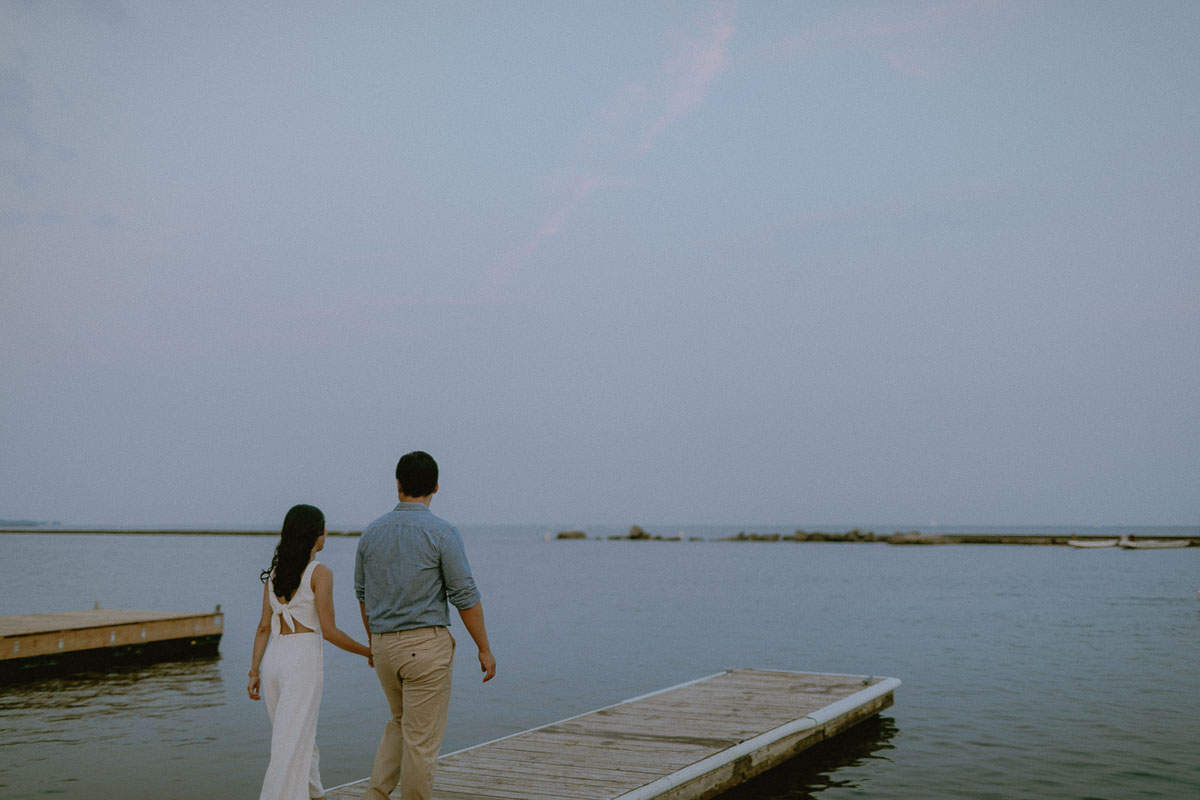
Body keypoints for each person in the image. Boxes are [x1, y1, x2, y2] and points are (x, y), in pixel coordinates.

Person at [355, 451, 496, 800]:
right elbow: (464, 595)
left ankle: (376, 795)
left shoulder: (371, 533)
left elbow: (363, 595)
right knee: (420, 740)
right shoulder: (443, 533)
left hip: (384, 645)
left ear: (398, 485)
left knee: (400, 724)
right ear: (435, 487)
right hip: (424, 647)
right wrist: (484, 648)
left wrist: (374, 641)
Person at [248, 504, 372, 800]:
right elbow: (329, 631)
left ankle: (315, 794)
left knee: (296, 736)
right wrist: (368, 651)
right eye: (323, 529)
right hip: (301, 661)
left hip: (274, 661)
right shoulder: (320, 572)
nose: (326, 534)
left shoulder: (275, 575)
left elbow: (264, 627)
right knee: (288, 745)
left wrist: (254, 671)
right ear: (315, 535)